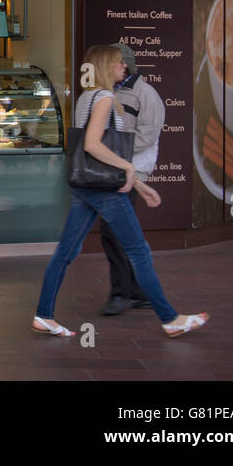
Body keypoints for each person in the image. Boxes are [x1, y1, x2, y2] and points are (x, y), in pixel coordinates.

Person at [33, 45, 209, 338]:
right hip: (105, 189)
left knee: (65, 252)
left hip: (86, 186)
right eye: (118, 64)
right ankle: (170, 318)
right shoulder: (103, 98)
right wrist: (129, 170)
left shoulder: (86, 97)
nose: (123, 68)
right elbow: (93, 145)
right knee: (138, 250)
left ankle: (44, 315)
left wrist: (140, 184)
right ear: (106, 67)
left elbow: (89, 151)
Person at [100, 43, 166, 315]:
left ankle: (122, 293)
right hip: (114, 168)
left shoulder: (146, 94)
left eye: (108, 61)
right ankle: (137, 292)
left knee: (113, 231)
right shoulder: (108, 91)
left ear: (122, 65)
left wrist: (108, 149)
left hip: (131, 171)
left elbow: (147, 137)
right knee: (118, 232)